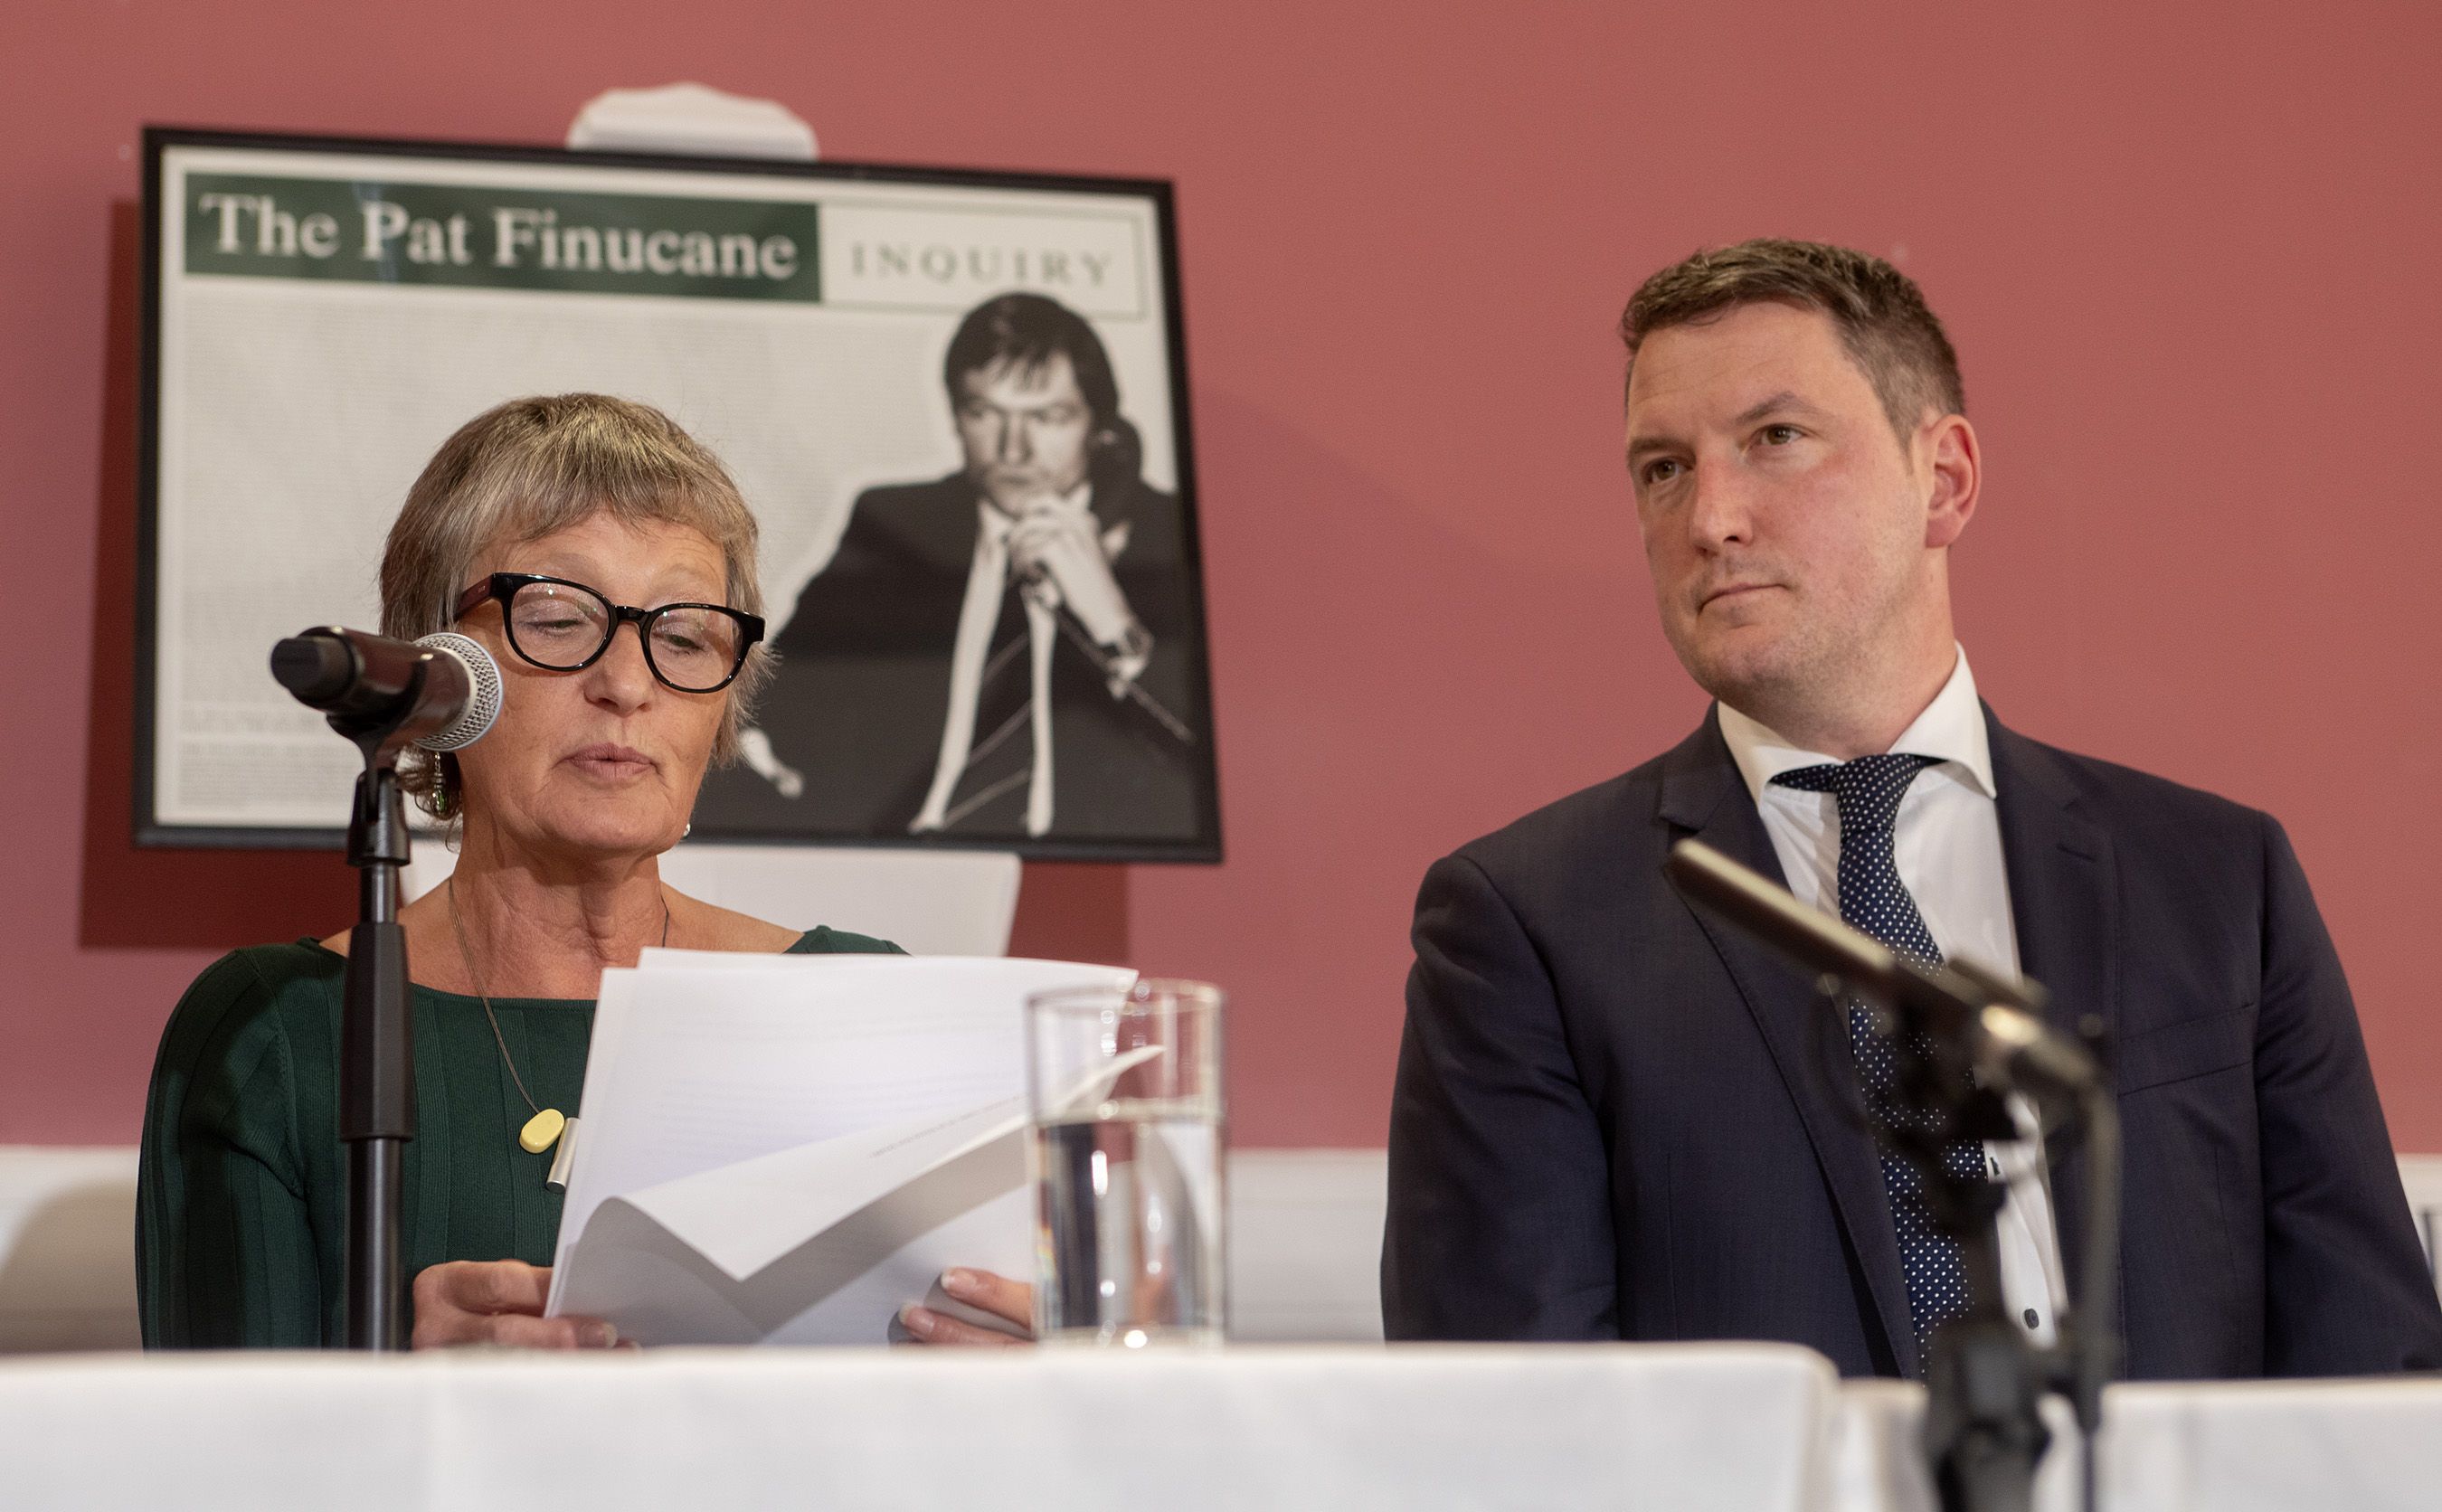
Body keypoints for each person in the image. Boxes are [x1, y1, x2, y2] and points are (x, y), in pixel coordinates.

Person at [1381, 240, 2442, 1378]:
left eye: (1775, 440)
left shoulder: (2221, 879)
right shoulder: (1529, 921)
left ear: (1943, 482)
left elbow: (2372, 1367)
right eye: (1662, 468)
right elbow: (1511, 1429)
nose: (1711, 518)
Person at [137, 394, 1032, 1349]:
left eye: (685, 635)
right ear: (442, 669)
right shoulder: (272, 1036)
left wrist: (1025, 1390)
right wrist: (405, 1390)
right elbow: (218, 1464)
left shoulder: (866, 1006)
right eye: (560, 620)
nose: (629, 682)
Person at [706, 291, 1205, 845]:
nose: (1014, 449)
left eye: (1048, 417)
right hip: (899, 859)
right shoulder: (897, 527)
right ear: (957, 421)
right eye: (985, 413)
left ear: (1100, 428)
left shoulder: (1167, 535)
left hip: (1092, 877)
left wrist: (1115, 626)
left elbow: (1215, 764)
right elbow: (771, 700)